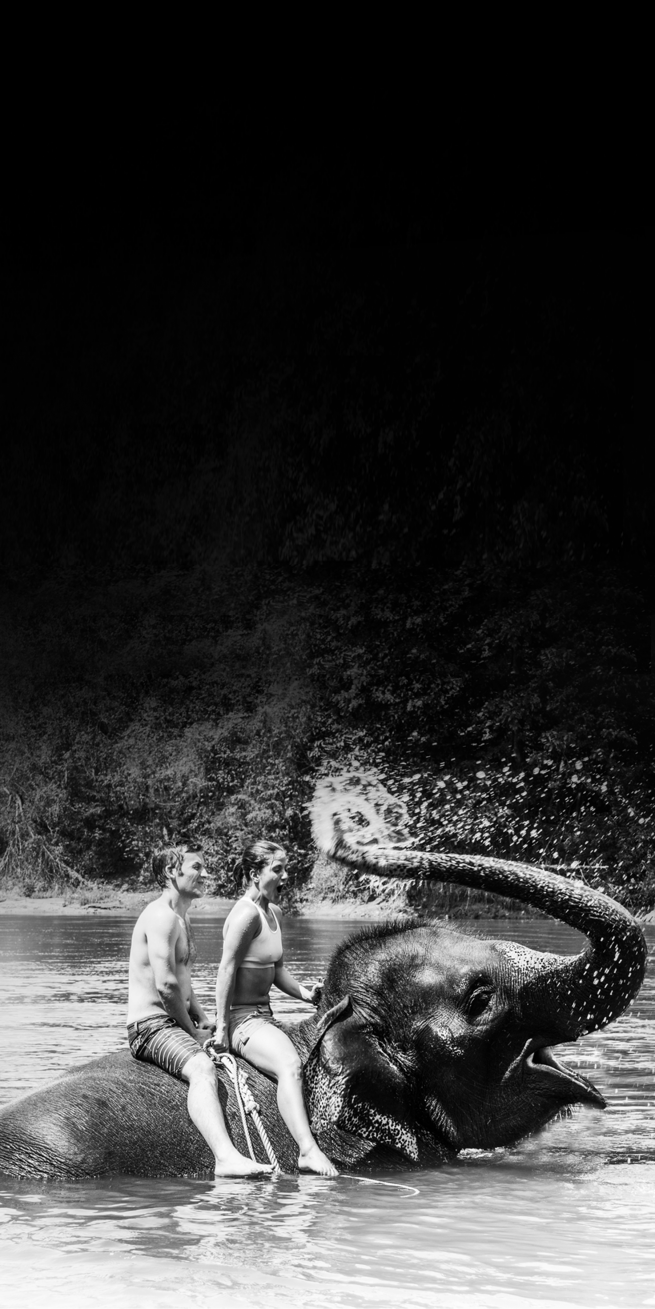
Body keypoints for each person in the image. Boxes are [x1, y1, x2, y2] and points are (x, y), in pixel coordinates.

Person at [126, 843, 272, 1177]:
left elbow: (183, 984)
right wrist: (191, 1033)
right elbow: (166, 986)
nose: (205, 874)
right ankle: (225, 1158)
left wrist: (205, 1019)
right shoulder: (161, 917)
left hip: (170, 1020)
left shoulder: (182, 917)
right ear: (170, 872)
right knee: (203, 1068)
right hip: (150, 1027)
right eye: (196, 867)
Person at [214, 840, 338, 1177]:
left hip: (266, 1017)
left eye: (286, 869)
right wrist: (222, 1028)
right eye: (277, 870)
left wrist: (306, 994)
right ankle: (307, 1151)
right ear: (255, 874)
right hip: (243, 1020)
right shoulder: (245, 915)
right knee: (290, 1065)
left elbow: (278, 970)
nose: (285, 876)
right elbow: (226, 970)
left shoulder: (275, 913)